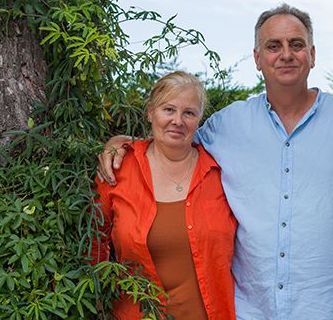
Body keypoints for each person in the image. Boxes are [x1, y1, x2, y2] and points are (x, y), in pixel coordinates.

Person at [97, 4, 333, 320]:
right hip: (255, 311)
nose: (286, 54)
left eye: (296, 45)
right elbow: (173, 139)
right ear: (257, 58)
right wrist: (122, 144)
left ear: (312, 54)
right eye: (274, 46)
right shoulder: (227, 125)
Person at [90, 71, 237, 320]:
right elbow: (94, 245)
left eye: (189, 113)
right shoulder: (118, 169)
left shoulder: (221, 172)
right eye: (168, 109)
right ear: (150, 112)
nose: (178, 121)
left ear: (199, 119)